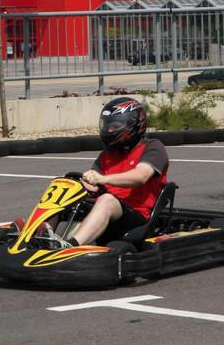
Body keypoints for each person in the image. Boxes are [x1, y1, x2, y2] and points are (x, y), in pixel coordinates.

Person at [42, 96, 169, 247]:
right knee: (63, 192)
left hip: (137, 216)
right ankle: (40, 237)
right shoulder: (107, 155)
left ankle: (71, 246)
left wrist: (103, 179)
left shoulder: (152, 147)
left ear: (133, 124)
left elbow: (141, 176)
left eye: (115, 126)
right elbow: (93, 184)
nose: (109, 130)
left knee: (107, 200)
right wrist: (72, 185)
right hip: (105, 211)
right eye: (107, 126)